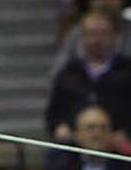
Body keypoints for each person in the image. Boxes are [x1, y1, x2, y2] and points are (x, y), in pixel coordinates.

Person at [46, 11, 131, 139]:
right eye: (91, 33)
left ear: (115, 36)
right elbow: (53, 114)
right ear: (82, 37)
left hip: (120, 144)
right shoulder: (68, 73)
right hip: (75, 145)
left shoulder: (127, 70)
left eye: (103, 33)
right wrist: (59, 127)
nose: (97, 39)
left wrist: (127, 133)